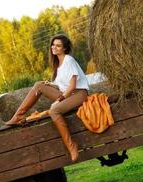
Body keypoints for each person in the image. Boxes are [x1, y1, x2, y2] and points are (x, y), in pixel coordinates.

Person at [5, 34, 89, 162]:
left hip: (78, 94)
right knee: (39, 85)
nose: (54, 47)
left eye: (58, 45)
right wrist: (51, 85)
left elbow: (71, 86)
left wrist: (59, 100)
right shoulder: (58, 65)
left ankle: (71, 146)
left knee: (54, 110)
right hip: (66, 94)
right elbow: (62, 85)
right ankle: (18, 116)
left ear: (64, 48)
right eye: (53, 45)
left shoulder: (69, 60)